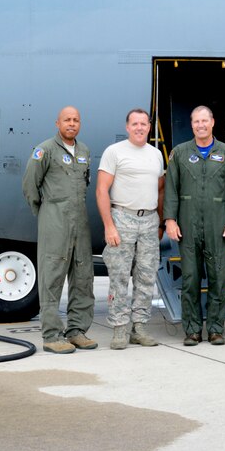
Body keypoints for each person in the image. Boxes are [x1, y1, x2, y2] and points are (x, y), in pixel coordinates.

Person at [164, 106, 225, 346]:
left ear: (212, 123)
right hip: (188, 226)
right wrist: (170, 219)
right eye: (196, 121)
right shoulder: (179, 153)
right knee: (190, 279)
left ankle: (216, 329)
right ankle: (192, 330)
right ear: (192, 125)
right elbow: (171, 189)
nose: (200, 125)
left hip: (218, 226)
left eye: (204, 121)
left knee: (219, 279)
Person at [22, 106, 96, 354]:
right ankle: (52, 335)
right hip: (55, 222)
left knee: (83, 276)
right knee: (52, 276)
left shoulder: (84, 151)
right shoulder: (45, 150)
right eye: (67, 120)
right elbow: (30, 186)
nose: (72, 124)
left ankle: (77, 331)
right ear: (57, 123)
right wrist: (46, 214)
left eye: (76, 120)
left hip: (80, 222)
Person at [96, 108, 166, 349]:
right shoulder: (114, 152)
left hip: (148, 220)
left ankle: (139, 327)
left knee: (146, 276)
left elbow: (159, 190)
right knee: (119, 276)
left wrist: (159, 223)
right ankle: (119, 328)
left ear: (149, 127)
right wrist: (109, 226)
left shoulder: (156, 154)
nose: (139, 127)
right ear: (127, 127)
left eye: (143, 124)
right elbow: (101, 190)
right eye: (134, 124)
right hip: (122, 218)